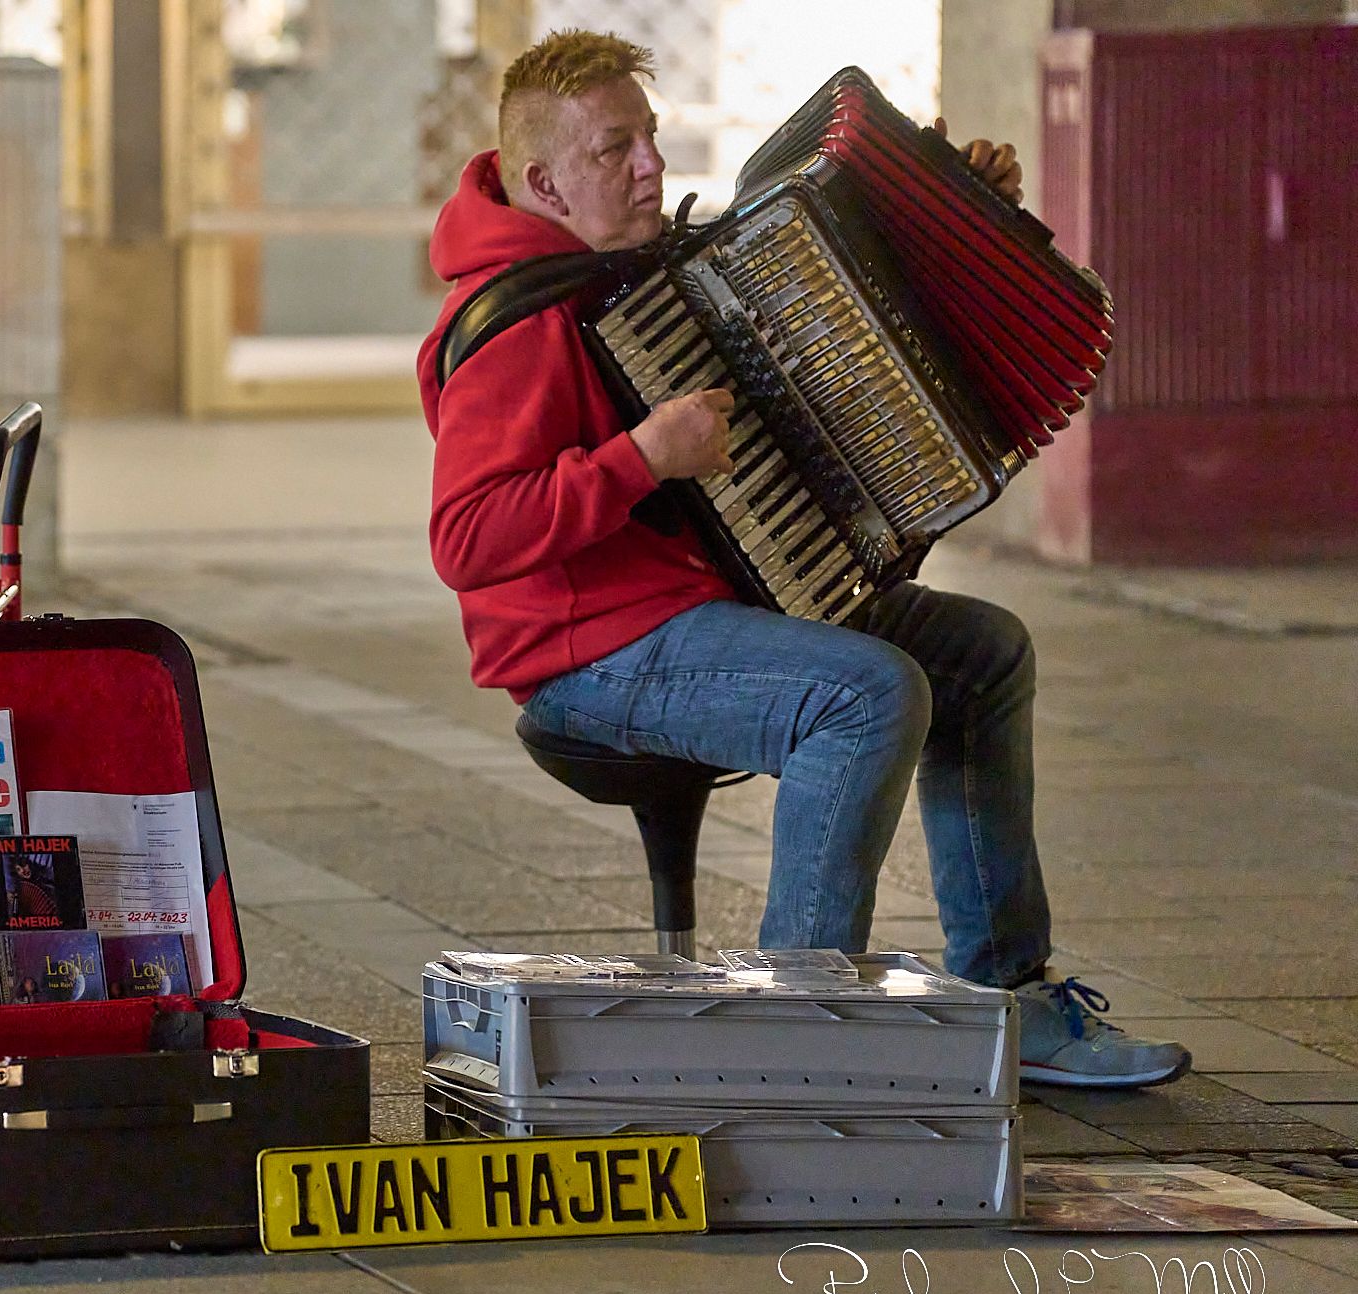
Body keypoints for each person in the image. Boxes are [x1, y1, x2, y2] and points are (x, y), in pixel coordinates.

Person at [418, 30, 1189, 1089]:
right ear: (543, 182)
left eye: (649, 137)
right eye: (614, 149)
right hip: (585, 652)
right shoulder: (515, 323)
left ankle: (1010, 991)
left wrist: (952, 213)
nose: (649, 165)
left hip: (699, 600)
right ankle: (787, 1030)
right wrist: (639, 460)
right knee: (866, 695)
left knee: (982, 652)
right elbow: (465, 539)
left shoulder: (636, 264)